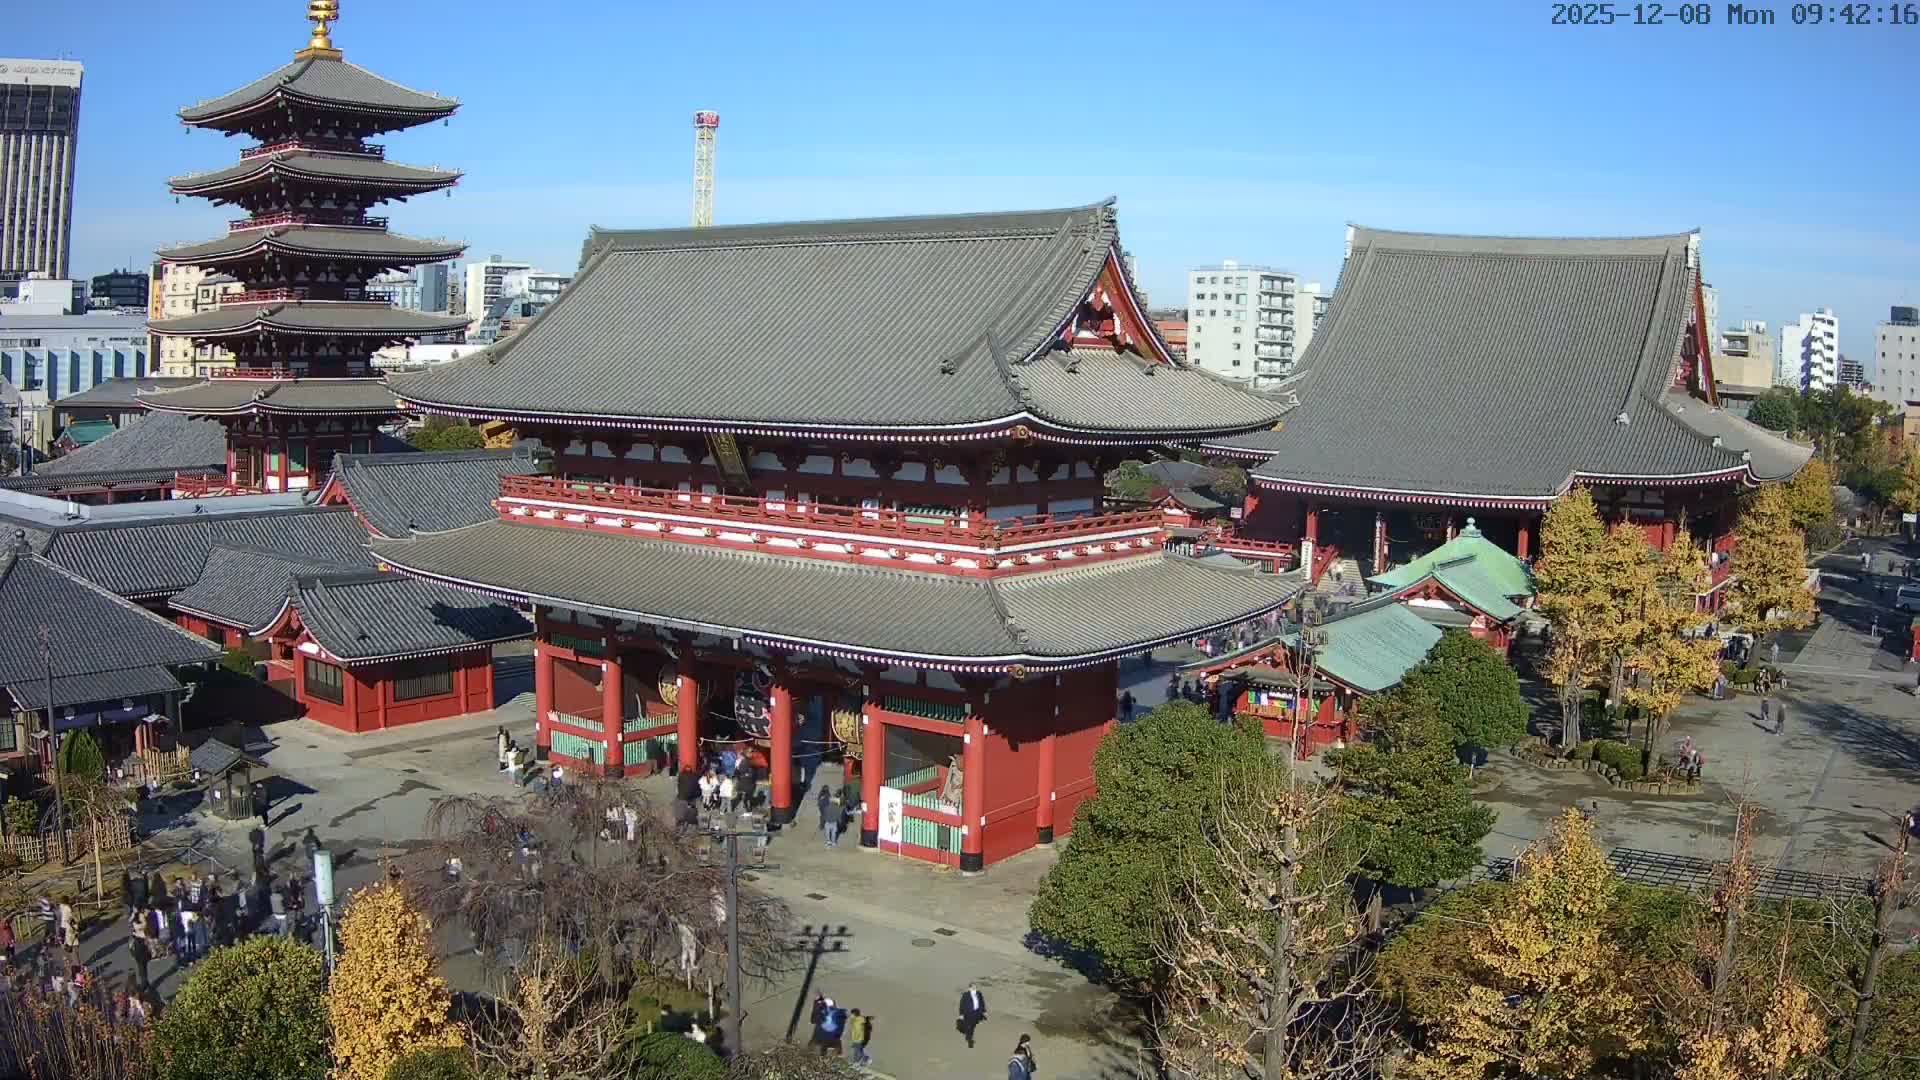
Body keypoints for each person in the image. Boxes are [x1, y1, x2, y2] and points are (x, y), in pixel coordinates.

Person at [958, 983, 987, 1049]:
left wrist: (984, 1011)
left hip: (976, 1012)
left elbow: (982, 1002)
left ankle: (969, 1036)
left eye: (975, 987)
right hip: (968, 1013)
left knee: (973, 1025)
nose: (974, 988)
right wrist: (961, 1014)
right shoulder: (965, 995)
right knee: (970, 1026)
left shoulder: (979, 993)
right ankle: (969, 1038)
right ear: (970, 988)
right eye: (973, 987)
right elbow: (962, 1004)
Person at [127, 919, 152, 992]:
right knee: (142, 969)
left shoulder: (136, 935)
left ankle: (144, 984)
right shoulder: (137, 934)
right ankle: (145, 982)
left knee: (142, 969)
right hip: (141, 953)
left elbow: (132, 946)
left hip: (140, 954)